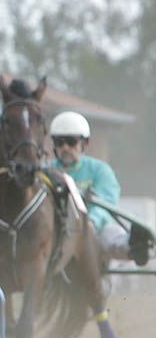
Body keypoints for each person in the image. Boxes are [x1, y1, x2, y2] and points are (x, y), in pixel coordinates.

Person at [48, 111, 152, 266]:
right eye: (59, 142)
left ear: (84, 144)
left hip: (92, 227)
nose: (65, 147)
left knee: (109, 236)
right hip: (55, 226)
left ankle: (134, 247)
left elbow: (106, 201)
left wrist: (90, 222)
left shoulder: (99, 170)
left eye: (71, 142)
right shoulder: (46, 171)